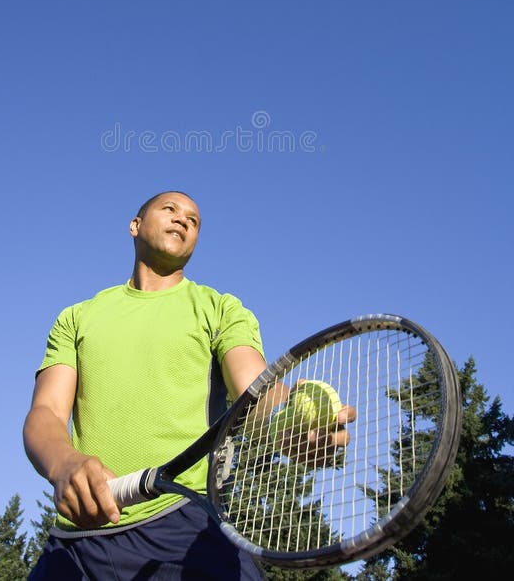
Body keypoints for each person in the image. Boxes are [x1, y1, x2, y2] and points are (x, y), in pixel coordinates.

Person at [23, 191, 354, 580]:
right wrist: (65, 463)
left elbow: (255, 390)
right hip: (78, 543)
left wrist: (288, 424)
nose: (183, 220)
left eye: (194, 220)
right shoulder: (76, 318)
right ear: (135, 225)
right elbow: (45, 413)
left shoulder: (220, 308)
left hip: (184, 522)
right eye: (170, 209)